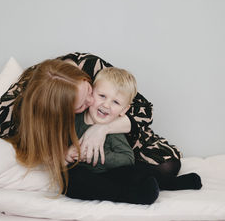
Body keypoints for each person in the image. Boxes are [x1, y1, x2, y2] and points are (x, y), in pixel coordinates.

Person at [0, 52, 187, 202]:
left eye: (90, 89)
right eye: (82, 104)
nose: (92, 101)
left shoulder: (88, 64)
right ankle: (131, 187)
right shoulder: (22, 107)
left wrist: (102, 129)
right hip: (85, 157)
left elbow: (144, 109)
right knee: (75, 180)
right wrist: (56, 154)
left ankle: (146, 182)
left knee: (169, 165)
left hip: (124, 130)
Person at [68, 67, 201, 199]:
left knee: (138, 171)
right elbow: (59, 147)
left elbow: (127, 158)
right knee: (72, 181)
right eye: (102, 96)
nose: (106, 105)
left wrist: (99, 157)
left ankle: (170, 183)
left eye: (115, 102)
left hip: (112, 174)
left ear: (123, 110)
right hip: (85, 175)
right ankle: (132, 195)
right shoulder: (75, 120)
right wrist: (67, 154)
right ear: (91, 94)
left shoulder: (113, 129)